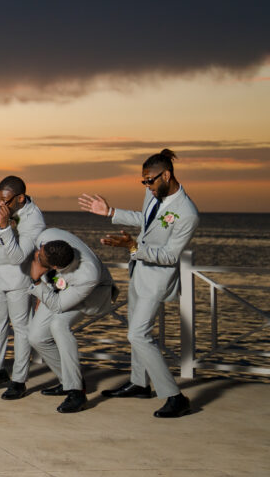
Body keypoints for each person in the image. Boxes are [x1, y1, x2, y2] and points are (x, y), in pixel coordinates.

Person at [79, 148, 199, 418]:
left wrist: (133, 246)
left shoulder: (188, 213)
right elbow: (146, 221)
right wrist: (110, 211)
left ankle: (175, 396)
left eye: (150, 181)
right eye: (143, 181)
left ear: (166, 175)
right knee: (134, 328)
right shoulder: (154, 192)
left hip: (157, 280)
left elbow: (169, 257)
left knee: (137, 334)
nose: (146, 186)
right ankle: (138, 383)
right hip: (138, 271)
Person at [27, 229, 114, 413]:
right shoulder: (47, 237)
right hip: (54, 290)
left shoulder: (87, 275)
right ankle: (68, 380)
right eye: (40, 250)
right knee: (35, 336)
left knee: (59, 325)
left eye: (39, 257)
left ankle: (76, 392)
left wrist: (35, 281)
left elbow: (58, 306)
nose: (36, 254)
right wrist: (40, 295)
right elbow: (42, 262)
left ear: (55, 267)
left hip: (90, 295)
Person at [0, 176, 46, 400]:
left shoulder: (34, 219)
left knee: (21, 329)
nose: (0, 205)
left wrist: (6, 227)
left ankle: (19, 380)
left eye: (6, 201)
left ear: (20, 198)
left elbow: (18, 257)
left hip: (19, 279)